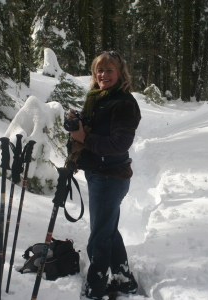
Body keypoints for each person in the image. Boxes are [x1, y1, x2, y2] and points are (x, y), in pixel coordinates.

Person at [65, 51, 141, 300]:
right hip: (99, 174)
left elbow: (118, 144)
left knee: (99, 236)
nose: (103, 75)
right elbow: (96, 130)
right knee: (107, 230)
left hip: (111, 177)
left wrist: (84, 137)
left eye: (109, 70)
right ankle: (123, 279)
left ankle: (95, 288)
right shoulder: (98, 98)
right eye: (99, 70)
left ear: (120, 74)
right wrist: (80, 123)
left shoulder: (124, 103)